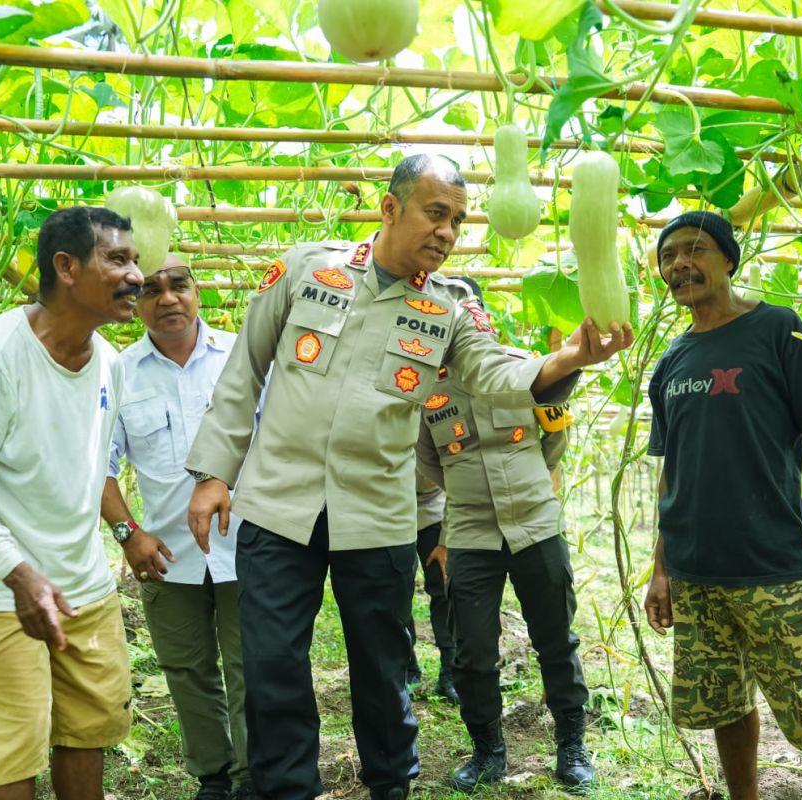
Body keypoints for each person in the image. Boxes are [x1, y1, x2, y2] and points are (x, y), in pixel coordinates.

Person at [184, 154, 632, 800]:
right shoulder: (309, 268)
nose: (448, 233)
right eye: (436, 213)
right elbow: (244, 371)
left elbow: (496, 373)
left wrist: (567, 357)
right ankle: (285, 789)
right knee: (273, 666)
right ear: (389, 208)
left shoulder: (450, 310)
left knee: (383, 670)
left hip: (378, 519)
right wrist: (213, 473)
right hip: (279, 508)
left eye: (457, 221)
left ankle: (390, 787)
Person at [0, 206, 143, 799]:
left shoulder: (109, 363)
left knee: (87, 733)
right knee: (10, 759)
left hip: (82, 590)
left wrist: (122, 537)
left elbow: (91, 469)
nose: (137, 275)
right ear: (66, 267)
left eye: (136, 260)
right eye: (118, 259)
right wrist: (19, 574)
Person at [641, 211, 802, 800]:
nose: (681, 264)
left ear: (729, 260)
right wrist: (661, 569)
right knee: (725, 704)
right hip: (694, 573)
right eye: (669, 256)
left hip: (771, 564)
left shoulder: (778, 329)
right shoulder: (671, 363)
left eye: (697, 249)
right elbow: (672, 475)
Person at [415, 282, 594, 794]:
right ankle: (488, 752)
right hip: (470, 533)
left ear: (481, 317)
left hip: (535, 526)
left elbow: (554, 436)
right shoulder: (428, 387)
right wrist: (474, 493)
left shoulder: (526, 367)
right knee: (472, 649)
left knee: (556, 640)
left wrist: (525, 488)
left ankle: (572, 747)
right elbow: (429, 460)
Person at [100, 254, 251, 800]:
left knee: (250, 667)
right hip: (163, 552)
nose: (167, 298)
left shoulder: (242, 358)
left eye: (178, 285)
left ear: (197, 293)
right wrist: (127, 533)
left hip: (249, 546)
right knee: (187, 671)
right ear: (132, 303)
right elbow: (98, 465)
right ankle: (213, 775)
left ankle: (252, 778)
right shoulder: (117, 373)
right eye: (150, 290)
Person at [406, 474, 458, 703]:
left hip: (436, 508)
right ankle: (406, 670)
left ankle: (450, 673)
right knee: (395, 590)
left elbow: (457, 478)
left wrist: (445, 539)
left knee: (444, 586)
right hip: (388, 510)